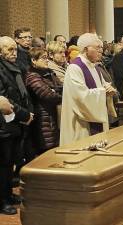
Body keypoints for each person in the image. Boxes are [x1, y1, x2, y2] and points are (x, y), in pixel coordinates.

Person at [60, 33, 117, 145]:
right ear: (86, 49)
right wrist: (103, 92)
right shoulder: (75, 68)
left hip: (94, 119)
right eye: (97, 47)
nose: (101, 50)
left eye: (101, 47)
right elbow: (80, 97)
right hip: (81, 123)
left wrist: (108, 89)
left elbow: (101, 87)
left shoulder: (94, 67)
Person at [0, 36, 34, 215]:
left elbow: (21, 93)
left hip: (14, 124)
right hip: (3, 125)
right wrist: (24, 114)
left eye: (15, 49)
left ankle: (8, 194)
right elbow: (5, 99)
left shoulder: (13, 67)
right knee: (3, 164)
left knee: (11, 162)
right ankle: (2, 200)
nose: (14, 53)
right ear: (0, 52)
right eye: (9, 50)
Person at [25, 47, 62, 154]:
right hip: (43, 119)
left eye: (47, 57)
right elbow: (49, 95)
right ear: (33, 60)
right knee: (46, 153)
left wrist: (55, 90)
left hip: (53, 116)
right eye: (43, 58)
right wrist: (56, 92)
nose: (47, 60)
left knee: (55, 151)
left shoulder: (49, 72)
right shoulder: (32, 76)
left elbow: (62, 87)